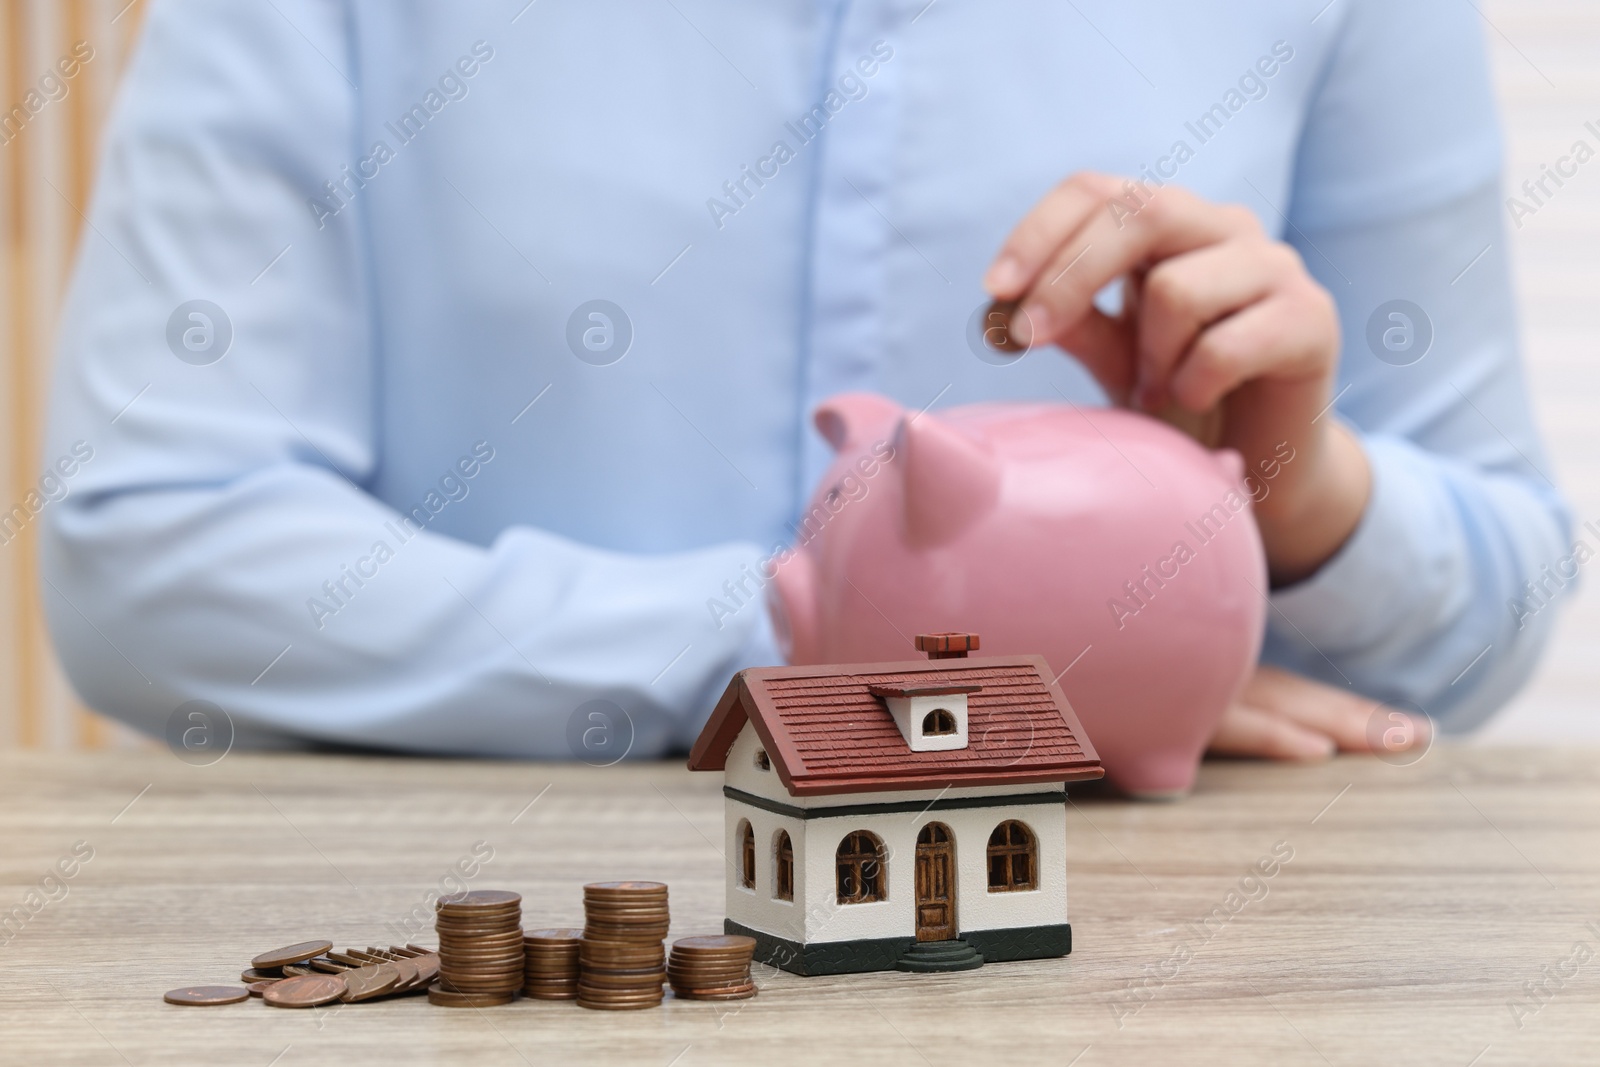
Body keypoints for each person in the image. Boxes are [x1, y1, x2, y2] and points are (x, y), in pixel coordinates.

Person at [42, 0, 1568, 760]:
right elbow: (150, 554)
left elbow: (1497, 613)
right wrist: (816, 662)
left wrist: (1293, 496)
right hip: (474, 976)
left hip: (1144, 989)